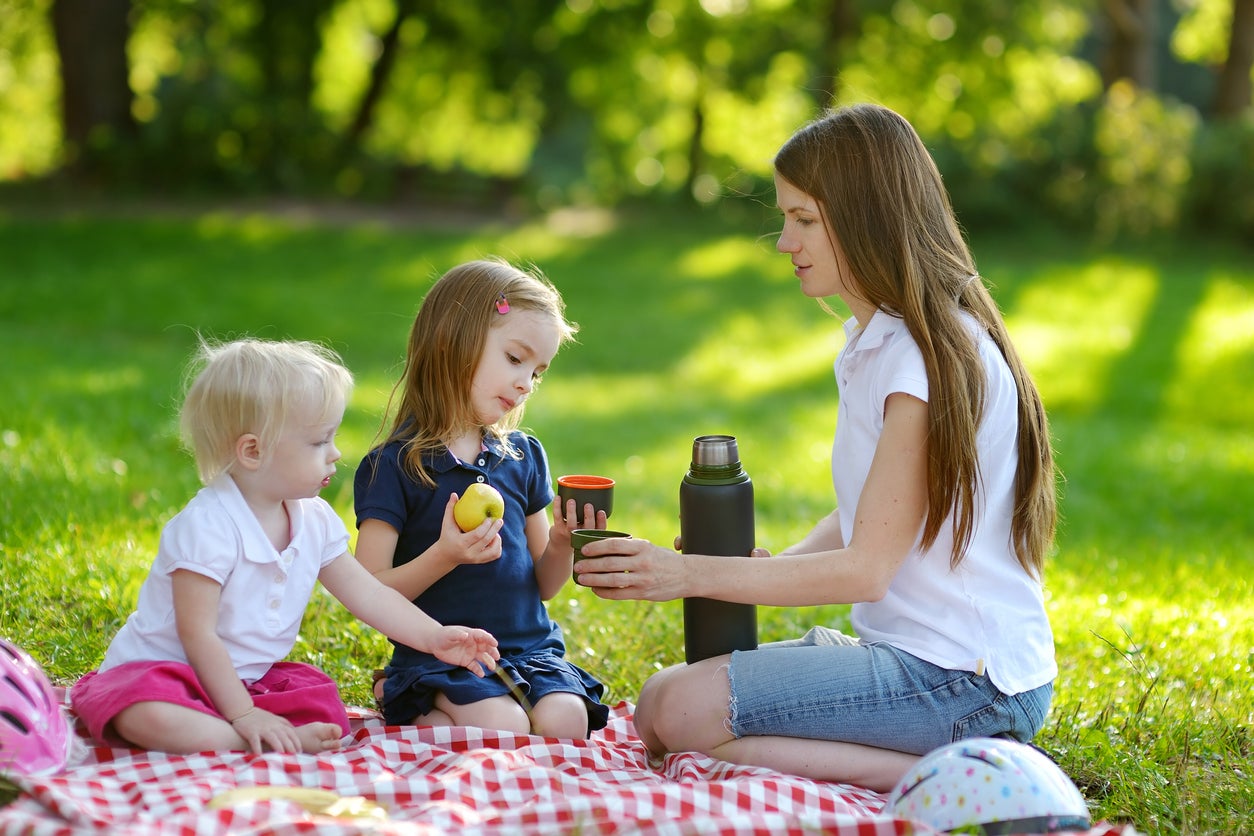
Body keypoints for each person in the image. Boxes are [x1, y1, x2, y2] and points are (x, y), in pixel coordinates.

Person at [574, 103, 1059, 792]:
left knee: (673, 709)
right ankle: (924, 753)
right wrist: (768, 567)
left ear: (865, 216)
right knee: (665, 705)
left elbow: (865, 569)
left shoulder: (923, 359)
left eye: (803, 219)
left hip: (964, 685)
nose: (783, 241)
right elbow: (871, 510)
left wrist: (685, 575)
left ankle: (953, 770)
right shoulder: (876, 343)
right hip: (921, 662)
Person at [71, 338, 499, 755]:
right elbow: (196, 634)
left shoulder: (312, 519)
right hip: (163, 674)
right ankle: (239, 739)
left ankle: (240, 728)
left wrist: (434, 637)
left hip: (244, 680)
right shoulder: (208, 526)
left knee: (325, 708)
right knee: (147, 715)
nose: (335, 454)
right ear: (253, 451)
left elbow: (369, 594)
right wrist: (244, 716)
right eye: (318, 442)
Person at [354, 258, 611, 739]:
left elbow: (546, 585)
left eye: (538, 371)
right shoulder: (394, 466)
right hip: (443, 652)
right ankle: (408, 698)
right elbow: (368, 591)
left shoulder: (523, 457)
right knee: (503, 727)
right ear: (453, 341)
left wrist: (561, 542)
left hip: (526, 648)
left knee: (568, 723)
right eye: (516, 359)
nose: (526, 383)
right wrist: (445, 556)